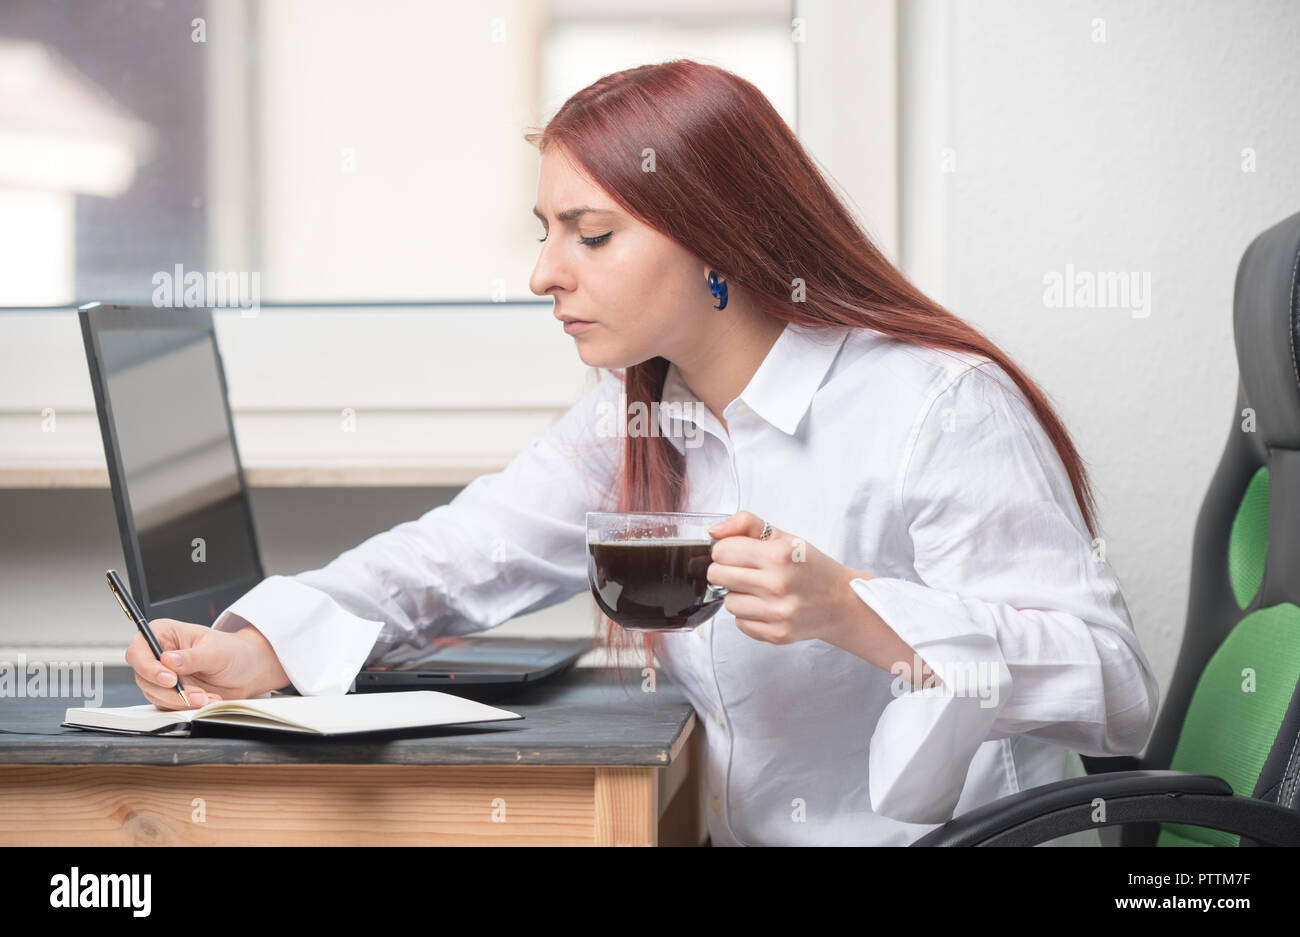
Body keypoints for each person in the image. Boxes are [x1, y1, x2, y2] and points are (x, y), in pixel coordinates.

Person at [124, 59, 1159, 846]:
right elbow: (461, 552)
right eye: (545, 231)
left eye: (590, 234)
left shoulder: (933, 405)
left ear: (715, 237)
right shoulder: (639, 406)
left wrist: (856, 609)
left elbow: (1113, 682)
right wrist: (263, 645)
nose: (541, 273)